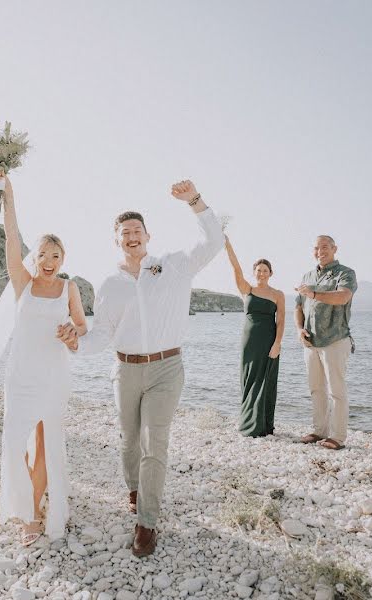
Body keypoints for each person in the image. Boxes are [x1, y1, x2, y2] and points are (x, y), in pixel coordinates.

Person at [56, 180, 224, 558]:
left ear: (148, 236)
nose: (132, 237)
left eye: (137, 231)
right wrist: (75, 344)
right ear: (116, 241)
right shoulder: (109, 285)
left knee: (153, 442)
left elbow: (214, 242)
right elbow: (102, 335)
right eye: (125, 233)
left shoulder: (174, 266)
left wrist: (194, 202)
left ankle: (147, 521)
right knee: (130, 441)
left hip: (167, 368)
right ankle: (134, 488)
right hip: (125, 371)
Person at [0, 175, 87, 545]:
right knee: (14, 441)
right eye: (43, 255)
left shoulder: (69, 287)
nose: (49, 262)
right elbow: (11, 236)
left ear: (63, 260)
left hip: (54, 375)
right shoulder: (23, 282)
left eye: (56, 256)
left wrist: (72, 333)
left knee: (45, 443)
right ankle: (24, 502)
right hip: (22, 375)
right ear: (34, 257)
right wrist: (8, 193)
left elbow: (82, 329)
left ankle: (33, 512)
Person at [295, 235, 358, 451]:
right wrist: (299, 329)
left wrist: (313, 293)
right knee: (316, 389)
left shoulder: (345, 273)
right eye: (316, 248)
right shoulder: (307, 275)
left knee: (336, 390)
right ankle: (318, 431)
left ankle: (337, 437)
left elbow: (342, 297)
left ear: (334, 249)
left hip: (335, 339)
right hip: (311, 342)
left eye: (324, 247)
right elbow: (298, 306)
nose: (320, 251)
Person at [224, 237, 285, 437]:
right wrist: (228, 246)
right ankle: (248, 422)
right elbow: (236, 269)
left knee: (266, 380)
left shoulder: (278, 294)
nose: (261, 273)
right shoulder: (247, 289)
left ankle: (264, 425)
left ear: (270, 273)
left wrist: (277, 344)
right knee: (249, 379)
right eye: (258, 270)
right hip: (249, 342)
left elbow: (281, 321)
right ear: (254, 273)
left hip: (268, 341)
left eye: (265, 270)